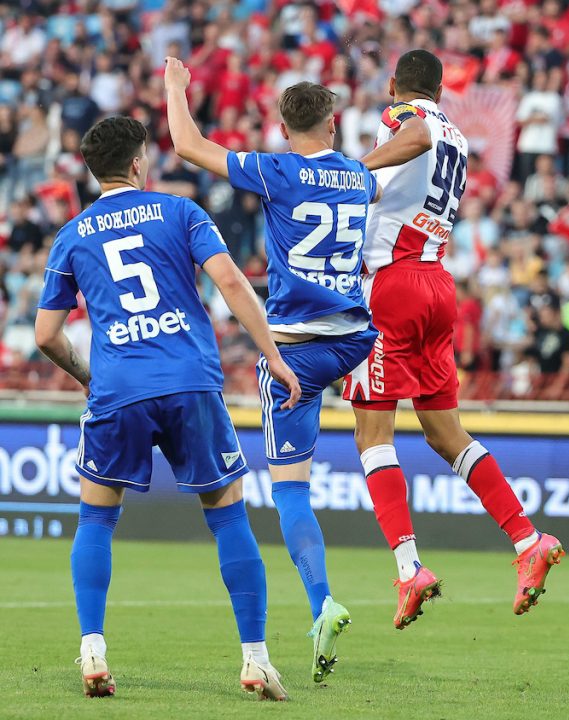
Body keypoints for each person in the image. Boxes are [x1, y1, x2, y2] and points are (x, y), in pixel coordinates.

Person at [34, 116, 301, 699]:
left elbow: (47, 334)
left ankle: (92, 651)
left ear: (92, 169)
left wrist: (88, 376)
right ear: (138, 163)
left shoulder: (73, 235)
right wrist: (274, 357)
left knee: (96, 518)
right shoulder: (180, 212)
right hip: (189, 381)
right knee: (228, 513)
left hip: (118, 387)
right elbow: (231, 283)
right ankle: (255, 659)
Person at [164, 58, 379, 682]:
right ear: (333, 125)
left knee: (289, 488)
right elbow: (379, 179)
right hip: (358, 340)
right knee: (380, 443)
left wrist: (177, 87)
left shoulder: (276, 170)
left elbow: (187, 145)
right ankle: (405, 558)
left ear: (285, 131)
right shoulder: (360, 178)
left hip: (295, 352)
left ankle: (323, 603)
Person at [344, 49, 564, 628]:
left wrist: (354, 171)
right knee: (445, 432)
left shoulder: (401, 117)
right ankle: (527, 539)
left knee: (372, 435)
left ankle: (409, 568)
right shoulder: (460, 137)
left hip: (392, 285)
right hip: (440, 283)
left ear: (396, 87)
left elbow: (411, 136)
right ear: (443, 91)